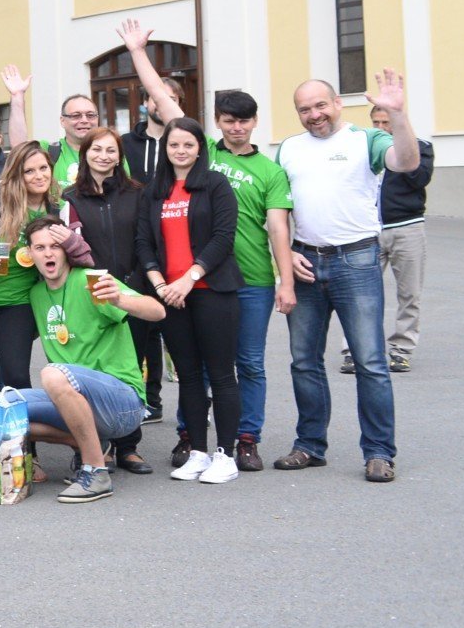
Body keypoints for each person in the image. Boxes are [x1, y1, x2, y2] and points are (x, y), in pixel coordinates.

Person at [118, 25, 297, 469]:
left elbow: (269, 228)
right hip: (175, 291)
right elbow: (164, 100)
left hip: (230, 283)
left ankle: (239, 444)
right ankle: (193, 443)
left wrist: (284, 279)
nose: (181, 149)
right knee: (191, 373)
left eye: (244, 120)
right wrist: (137, 52)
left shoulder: (248, 174)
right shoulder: (178, 175)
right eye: (229, 120)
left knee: (240, 366)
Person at [273, 70, 419, 482]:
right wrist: (284, 263)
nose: (314, 114)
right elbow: (278, 213)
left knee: (370, 362)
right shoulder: (288, 149)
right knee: (304, 362)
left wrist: (397, 113)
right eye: (305, 109)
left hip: (356, 261)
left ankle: (378, 452)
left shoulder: (365, 140)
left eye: (321, 105)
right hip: (304, 263)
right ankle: (309, 445)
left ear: (337, 103)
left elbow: (406, 162)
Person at [18, 215, 169, 503]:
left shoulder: (91, 282)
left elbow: (157, 311)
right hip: (73, 400)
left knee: (52, 373)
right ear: (30, 254)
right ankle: (91, 443)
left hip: (122, 403)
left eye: (55, 246)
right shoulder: (37, 294)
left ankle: (96, 472)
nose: (48, 253)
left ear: (67, 250)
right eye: (40, 247)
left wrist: (119, 300)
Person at [136, 117, 246, 484]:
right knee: (188, 377)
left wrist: (188, 278)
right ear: (165, 149)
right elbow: (143, 243)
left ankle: (225, 455)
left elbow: (222, 238)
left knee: (220, 375)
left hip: (212, 292)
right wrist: (159, 283)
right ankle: (198, 452)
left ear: (200, 148)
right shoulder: (154, 191)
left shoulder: (215, 184)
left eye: (188, 145)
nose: (180, 151)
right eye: (173, 145)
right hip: (170, 297)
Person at [0, 144, 90, 393]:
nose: (39, 176)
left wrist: (67, 239)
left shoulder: (58, 208)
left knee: (16, 375)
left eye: (43, 168)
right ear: (17, 176)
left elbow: (84, 257)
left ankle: (21, 430)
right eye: (29, 171)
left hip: (21, 302)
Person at [63, 127, 163, 436]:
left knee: (129, 366)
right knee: (95, 368)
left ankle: (130, 445)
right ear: (85, 154)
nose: (103, 156)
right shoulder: (70, 198)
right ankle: (97, 444)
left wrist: (134, 279)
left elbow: (146, 239)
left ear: (119, 157)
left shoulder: (137, 193)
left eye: (110, 150)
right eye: (96, 149)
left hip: (133, 289)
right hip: (92, 293)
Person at [363, 101, 431, 374]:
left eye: (386, 123)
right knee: (361, 295)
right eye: (376, 123)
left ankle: (401, 350)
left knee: (409, 294)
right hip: (369, 230)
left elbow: (419, 178)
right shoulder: (364, 148)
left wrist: (403, 145)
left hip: (408, 227)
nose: (381, 128)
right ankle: (355, 349)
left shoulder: (420, 146)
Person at [0, 65, 101, 193]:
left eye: (90, 115)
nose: (84, 120)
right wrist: (17, 97)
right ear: (62, 121)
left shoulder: (110, 155)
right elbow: (19, 147)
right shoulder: (48, 151)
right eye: (76, 115)